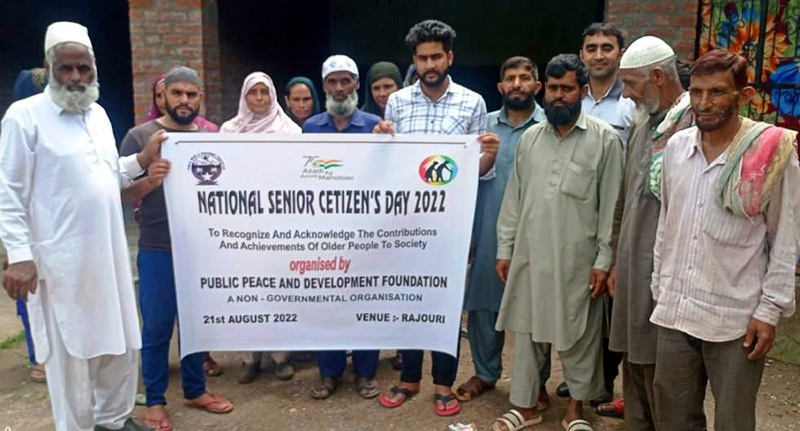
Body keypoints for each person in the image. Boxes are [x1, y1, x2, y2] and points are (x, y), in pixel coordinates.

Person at [0, 21, 167, 431]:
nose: (76, 78)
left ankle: (112, 419)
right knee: (72, 355)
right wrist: (19, 256)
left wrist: (142, 160)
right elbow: (9, 193)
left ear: (94, 69)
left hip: (107, 256)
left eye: (84, 69)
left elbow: (106, 175)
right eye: (66, 69)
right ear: (49, 67)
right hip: (61, 262)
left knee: (118, 344)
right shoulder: (25, 117)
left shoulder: (98, 114)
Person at [650, 49, 799, 431]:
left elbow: (786, 238)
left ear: (744, 96)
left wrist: (769, 312)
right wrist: (659, 286)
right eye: (697, 92)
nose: (704, 103)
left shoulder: (770, 153)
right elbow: (667, 224)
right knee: (673, 417)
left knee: (733, 421)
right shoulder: (677, 149)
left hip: (736, 317)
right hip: (676, 309)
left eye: (716, 92)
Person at [374, 19, 499, 417]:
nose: (430, 64)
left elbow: (479, 172)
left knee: (445, 303)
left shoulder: (472, 103)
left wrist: (490, 156)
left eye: (436, 56)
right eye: (422, 57)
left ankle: (443, 383)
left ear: (450, 58)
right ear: (414, 60)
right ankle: (409, 378)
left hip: (449, 227)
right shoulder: (397, 103)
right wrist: (380, 142)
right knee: (408, 298)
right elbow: (388, 167)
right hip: (406, 224)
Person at [492, 53, 623, 431]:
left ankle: (575, 411)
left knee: (579, 336)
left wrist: (604, 259)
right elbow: (514, 199)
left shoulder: (604, 140)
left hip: (578, 260)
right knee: (529, 332)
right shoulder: (530, 139)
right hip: (531, 256)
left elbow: (611, 205)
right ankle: (527, 406)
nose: (558, 97)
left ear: (582, 91)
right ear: (543, 90)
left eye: (567, 89)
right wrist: (505, 248)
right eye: (553, 89)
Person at [120, 66, 234, 431]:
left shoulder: (211, 138)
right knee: (156, 326)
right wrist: (149, 182)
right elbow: (119, 195)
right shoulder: (140, 137)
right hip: (157, 246)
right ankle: (154, 401)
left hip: (201, 247)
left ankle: (195, 390)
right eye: (177, 94)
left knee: (196, 324)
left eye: (191, 94)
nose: (184, 101)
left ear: (201, 98)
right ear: (163, 96)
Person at [602, 36, 691, 428]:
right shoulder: (642, 126)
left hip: (667, 275)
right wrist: (616, 263)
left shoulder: (690, 126)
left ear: (657, 76)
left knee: (665, 373)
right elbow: (624, 200)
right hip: (631, 269)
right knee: (632, 361)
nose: (626, 95)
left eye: (631, 84)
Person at [454, 56, 551, 409]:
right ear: (499, 87)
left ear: (537, 86)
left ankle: (535, 381)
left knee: (535, 307)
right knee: (482, 304)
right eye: (510, 78)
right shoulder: (483, 129)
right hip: (488, 223)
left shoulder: (549, 126)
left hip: (536, 230)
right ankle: (485, 371)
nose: (517, 84)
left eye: (525, 78)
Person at [552, 22, 634, 407]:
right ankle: (577, 377)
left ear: (619, 53)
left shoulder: (631, 103)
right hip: (577, 217)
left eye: (607, 47)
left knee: (612, 308)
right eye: (591, 48)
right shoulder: (568, 102)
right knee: (578, 303)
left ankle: (603, 382)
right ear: (582, 54)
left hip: (619, 215)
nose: (599, 54)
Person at [302, 55, 383, 400]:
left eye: (345, 81)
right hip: (323, 233)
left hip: (365, 234)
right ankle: (330, 372)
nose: (339, 88)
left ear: (356, 85)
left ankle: (365, 373)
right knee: (327, 304)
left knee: (365, 300)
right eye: (332, 82)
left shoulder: (376, 126)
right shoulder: (310, 129)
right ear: (324, 86)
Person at [221, 71, 301, 383]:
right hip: (242, 224)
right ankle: (250, 358)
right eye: (252, 92)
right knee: (247, 289)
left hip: (279, 222)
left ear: (272, 96)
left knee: (279, 290)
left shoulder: (289, 130)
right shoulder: (230, 130)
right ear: (244, 96)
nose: (258, 99)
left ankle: (281, 357)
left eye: (263, 93)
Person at [9, 67, 49, 385]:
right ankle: (39, 358)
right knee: (29, 297)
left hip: (54, 234)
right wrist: (15, 249)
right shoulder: (18, 127)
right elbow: (9, 193)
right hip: (26, 234)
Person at [144, 73, 219, 132]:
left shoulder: (208, 130)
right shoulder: (144, 133)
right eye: (159, 96)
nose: (164, 101)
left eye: (190, 94)